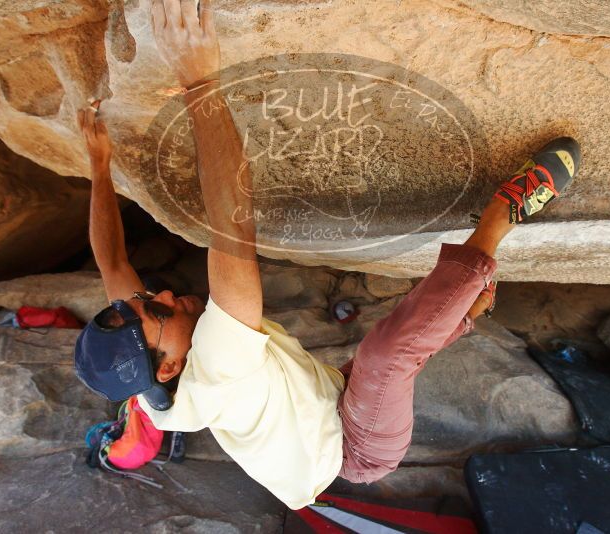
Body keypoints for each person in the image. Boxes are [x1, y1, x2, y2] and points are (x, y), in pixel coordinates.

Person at [73, 0, 582, 510]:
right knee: (386, 356)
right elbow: (231, 224)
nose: (161, 293)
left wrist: (98, 162)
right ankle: (504, 213)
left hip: (327, 395)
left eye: (147, 299)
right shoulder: (215, 368)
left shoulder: (146, 374)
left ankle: (466, 310)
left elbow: (112, 263)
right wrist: (199, 80)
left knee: (386, 357)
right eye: (157, 309)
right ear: (169, 367)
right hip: (355, 449)